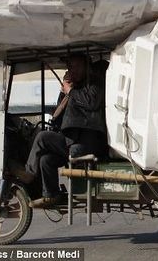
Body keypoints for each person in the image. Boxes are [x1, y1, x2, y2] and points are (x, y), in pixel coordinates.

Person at [23, 54, 107, 208]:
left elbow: (91, 103)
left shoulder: (95, 82)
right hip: (72, 141)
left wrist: (70, 91)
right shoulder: (74, 88)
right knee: (45, 160)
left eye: (75, 67)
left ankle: (28, 173)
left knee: (42, 138)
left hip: (85, 143)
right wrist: (65, 91)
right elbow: (59, 113)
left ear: (85, 67)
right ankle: (51, 195)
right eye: (70, 67)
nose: (71, 70)